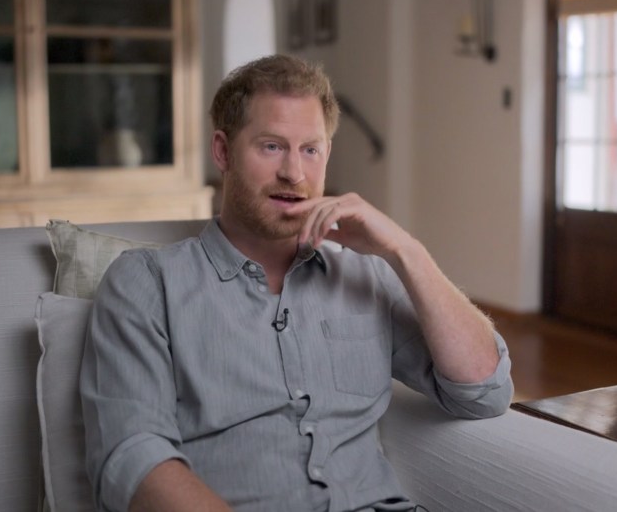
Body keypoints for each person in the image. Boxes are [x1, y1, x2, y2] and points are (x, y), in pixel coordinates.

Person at [80, 54, 514, 512]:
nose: (295, 173)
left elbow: (484, 391)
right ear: (223, 151)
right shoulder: (147, 283)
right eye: (271, 147)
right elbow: (131, 458)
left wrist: (405, 250)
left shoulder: (365, 274)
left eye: (311, 149)